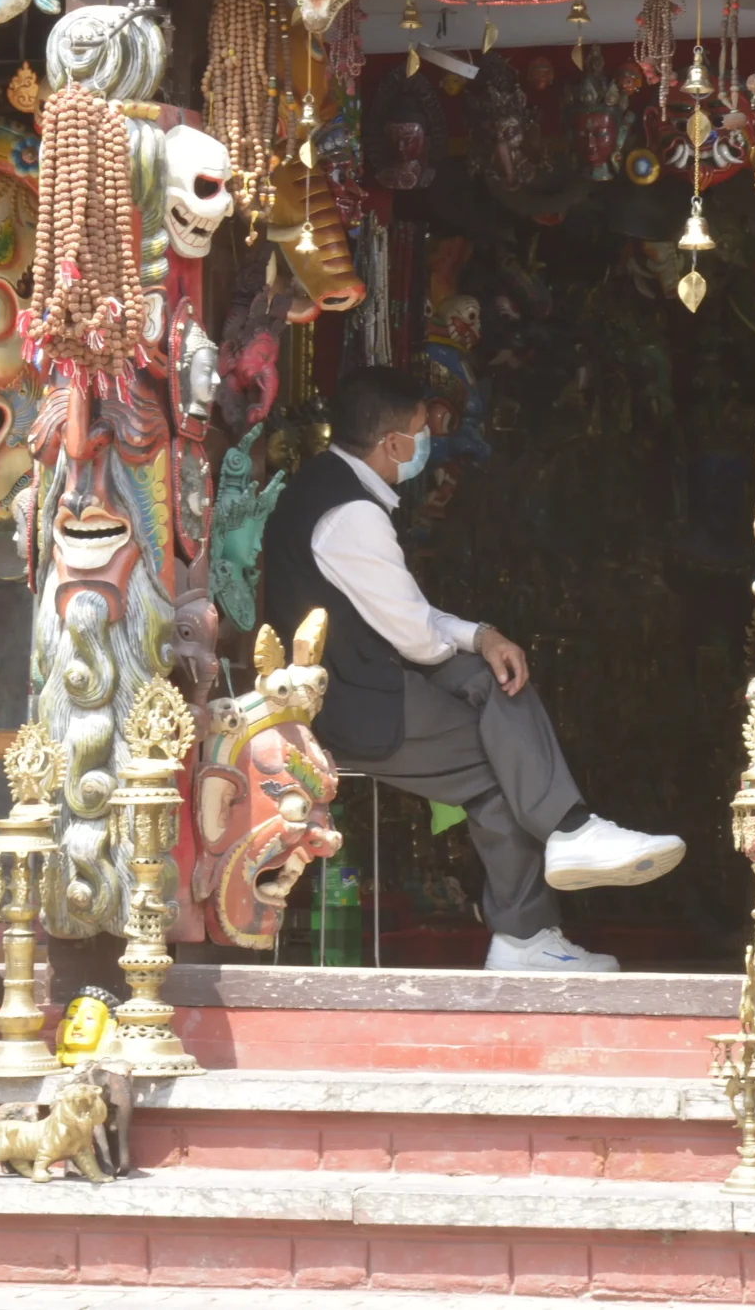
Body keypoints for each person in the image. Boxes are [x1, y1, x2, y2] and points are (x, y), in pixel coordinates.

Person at [261, 366, 685, 971]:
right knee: (501, 766)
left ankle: (569, 834)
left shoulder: (328, 486)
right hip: (353, 704)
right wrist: (469, 643)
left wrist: (483, 637)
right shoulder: (351, 514)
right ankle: (527, 930)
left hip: (362, 679)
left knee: (494, 679)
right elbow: (415, 638)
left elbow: (410, 619)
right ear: (391, 445)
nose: (424, 444)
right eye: (418, 432)